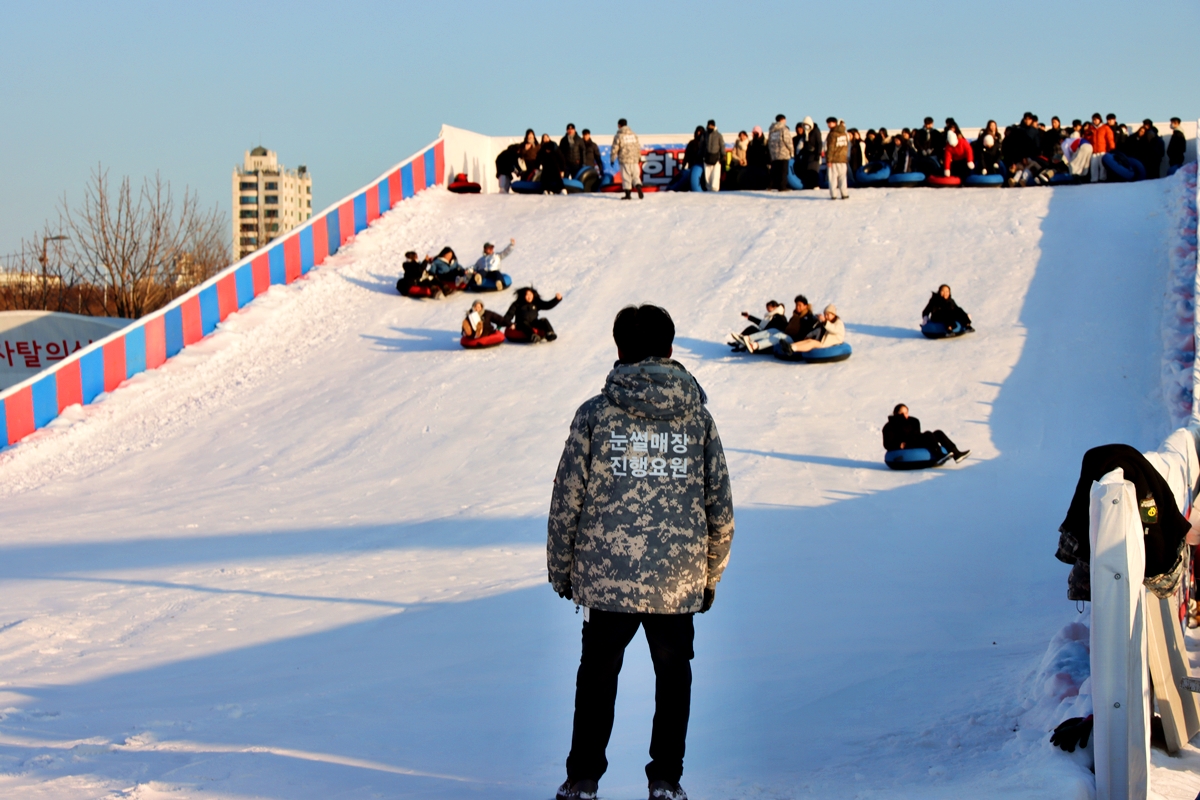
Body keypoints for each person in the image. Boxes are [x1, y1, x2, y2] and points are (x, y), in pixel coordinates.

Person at [548, 303, 734, 800]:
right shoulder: (698, 419)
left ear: (619, 348)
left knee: (597, 677)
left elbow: (567, 498)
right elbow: (720, 507)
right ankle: (666, 781)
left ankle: (583, 778)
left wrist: (562, 571)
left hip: (607, 579)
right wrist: (708, 577)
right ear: (670, 349)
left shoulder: (595, 414)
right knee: (673, 678)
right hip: (675, 582)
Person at [882, 404, 969, 462]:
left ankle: (957, 454)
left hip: (915, 440)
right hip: (907, 445)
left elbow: (916, 434)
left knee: (937, 433)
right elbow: (887, 444)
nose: (905, 415)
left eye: (906, 413)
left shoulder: (913, 421)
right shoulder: (889, 426)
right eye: (902, 413)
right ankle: (939, 455)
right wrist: (899, 445)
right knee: (928, 434)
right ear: (896, 413)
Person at [739, 295, 817, 353]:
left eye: (800, 305)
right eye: (796, 305)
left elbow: (807, 331)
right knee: (773, 330)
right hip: (788, 335)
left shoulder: (808, 317)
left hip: (795, 340)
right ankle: (748, 338)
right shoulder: (795, 316)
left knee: (779, 336)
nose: (797, 307)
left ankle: (755, 345)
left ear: (805, 306)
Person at [778, 304, 844, 354]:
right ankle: (789, 346)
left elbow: (834, 330)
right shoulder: (827, 322)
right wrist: (809, 335)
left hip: (827, 343)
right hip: (821, 341)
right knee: (808, 340)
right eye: (825, 314)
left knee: (812, 343)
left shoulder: (838, 323)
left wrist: (825, 322)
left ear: (833, 314)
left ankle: (793, 349)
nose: (826, 316)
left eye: (828, 314)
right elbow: (818, 330)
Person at [612, 118, 644, 200]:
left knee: (626, 177)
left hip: (624, 159)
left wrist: (612, 159)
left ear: (619, 125)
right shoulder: (634, 135)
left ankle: (628, 194)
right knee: (636, 176)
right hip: (634, 159)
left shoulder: (619, 136)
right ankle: (638, 186)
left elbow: (615, 148)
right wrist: (639, 157)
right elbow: (637, 147)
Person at [766, 114, 794, 191]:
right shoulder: (784, 129)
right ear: (783, 120)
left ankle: (770, 186)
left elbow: (769, 142)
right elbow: (788, 141)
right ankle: (782, 187)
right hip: (783, 153)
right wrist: (792, 151)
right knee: (783, 171)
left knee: (774, 171)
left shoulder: (772, 130)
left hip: (774, 154)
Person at [1084, 113, 1114, 182]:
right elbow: (1086, 139)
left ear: (1100, 119)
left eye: (1096, 119)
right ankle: (1094, 179)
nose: (1095, 121)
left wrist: (1112, 148)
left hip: (1103, 150)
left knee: (1102, 166)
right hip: (1094, 151)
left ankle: (1102, 179)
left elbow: (1110, 139)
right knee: (1093, 166)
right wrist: (1088, 134)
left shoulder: (1105, 128)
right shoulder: (1091, 128)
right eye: (1093, 119)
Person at [825, 117, 849, 200]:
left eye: (830, 123)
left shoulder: (832, 134)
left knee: (833, 178)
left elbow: (830, 148)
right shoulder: (844, 134)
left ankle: (833, 195)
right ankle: (844, 194)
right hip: (843, 159)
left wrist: (828, 160)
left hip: (834, 160)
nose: (828, 125)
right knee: (843, 178)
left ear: (835, 123)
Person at [703, 120, 725, 192]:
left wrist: (723, 155)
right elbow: (701, 146)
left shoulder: (719, 135)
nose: (710, 126)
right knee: (707, 176)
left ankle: (715, 189)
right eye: (709, 125)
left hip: (716, 158)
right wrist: (700, 155)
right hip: (707, 158)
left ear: (714, 126)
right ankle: (708, 189)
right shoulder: (705, 135)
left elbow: (722, 146)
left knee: (715, 175)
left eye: (711, 125)